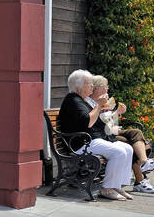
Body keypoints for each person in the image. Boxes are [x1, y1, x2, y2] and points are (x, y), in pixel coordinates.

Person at [57, 69, 135, 201]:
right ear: (78, 86)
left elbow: (93, 120)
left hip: (89, 140)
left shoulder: (80, 100)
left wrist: (104, 109)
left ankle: (116, 186)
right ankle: (107, 189)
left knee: (128, 148)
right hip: (79, 144)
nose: (92, 86)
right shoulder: (73, 100)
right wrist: (98, 106)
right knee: (119, 152)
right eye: (89, 83)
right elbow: (88, 122)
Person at [90, 75, 154, 194]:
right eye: (105, 87)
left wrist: (116, 113)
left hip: (110, 131)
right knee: (130, 144)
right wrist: (112, 114)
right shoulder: (93, 103)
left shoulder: (104, 101)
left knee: (136, 132)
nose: (107, 89)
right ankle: (140, 180)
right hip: (105, 135)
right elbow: (100, 123)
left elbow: (109, 122)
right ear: (97, 88)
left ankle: (145, 162)